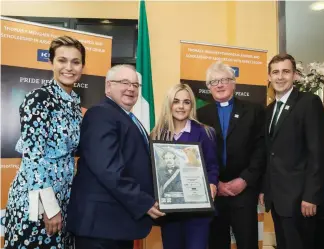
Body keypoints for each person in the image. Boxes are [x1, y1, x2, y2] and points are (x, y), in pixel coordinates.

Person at [66, 64, 165, 249]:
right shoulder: (101, 114)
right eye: (124, 82)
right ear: (108, 86)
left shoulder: (127, 117)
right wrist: (143, 202)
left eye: (135, 85)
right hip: (101, 226)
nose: (131, 88)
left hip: (117, 223)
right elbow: (108, 169)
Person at [4, 36, 85, 248]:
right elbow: (33, 157)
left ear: (82, 67)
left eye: (75, 62)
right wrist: (50, 207)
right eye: (62, 60)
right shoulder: (39, 99)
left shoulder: (74, 103)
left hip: (63, 197)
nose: (69, 67)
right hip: (37, 201)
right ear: (52, 63)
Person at [259, 54, 324, 249]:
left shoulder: (309, 103)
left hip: (301, 200)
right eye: (275, 72)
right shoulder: (269, 110)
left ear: (295, 76)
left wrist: (311, 195)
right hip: (278, 200)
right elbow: (270, 153)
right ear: (269, 77)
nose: (280, 77)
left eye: (285, 71)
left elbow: (319, 153)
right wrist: (266, 188)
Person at [197, 61, 266, 249]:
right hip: (214, 192)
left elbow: (261, 149)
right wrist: (214, 183)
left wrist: (244, 180)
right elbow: (196, 154)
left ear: (234, 83)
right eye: (213, 82)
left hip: (244, 190)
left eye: (224, 80)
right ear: (209, 88)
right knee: (216, 243)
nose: (219, 85)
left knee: (247, 243)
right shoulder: (200, 115)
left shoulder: (254, 111)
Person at [150, 83, 219, 249]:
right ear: (169, 104)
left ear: (192, 106)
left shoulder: (205, 132)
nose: (181, 106)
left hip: (197, 213)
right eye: (176, 101)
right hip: (170, 213)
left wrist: (212, 184)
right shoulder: (157, 134)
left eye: (186, 102)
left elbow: (212, 166)